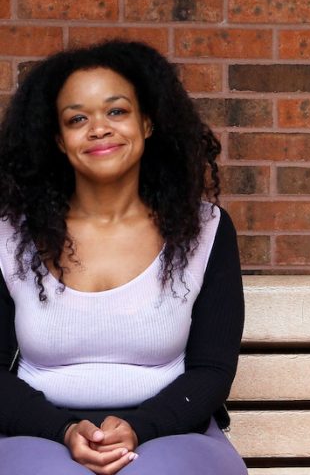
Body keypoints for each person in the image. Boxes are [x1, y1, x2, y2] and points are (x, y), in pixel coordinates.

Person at [0, 40, 247, 475]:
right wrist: (64, 430)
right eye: (78, 118)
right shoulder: (8, 235)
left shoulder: (204, 230)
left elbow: (211, 369)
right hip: (35, 429)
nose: (99, 128)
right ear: (59, 139)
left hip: (171, 429)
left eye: (116, 111)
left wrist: (138, 426)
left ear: (147, 122)